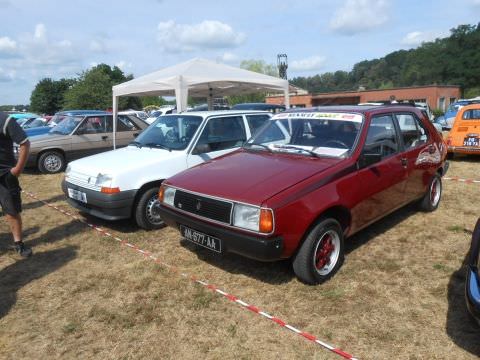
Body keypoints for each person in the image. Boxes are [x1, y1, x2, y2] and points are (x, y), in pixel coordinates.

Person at [0, 111, 31, 257]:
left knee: (11, 211)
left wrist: (16, 171)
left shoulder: (5, 119)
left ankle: (19, 244)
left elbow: (24, 143)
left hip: (5, 176)